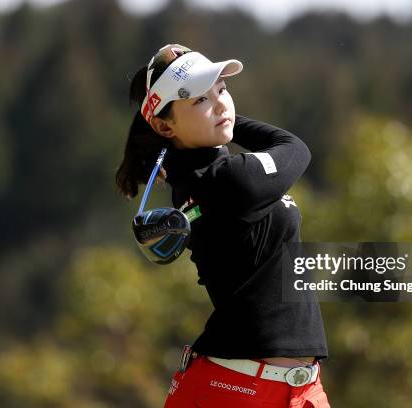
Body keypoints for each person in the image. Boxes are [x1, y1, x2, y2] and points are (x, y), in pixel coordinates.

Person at [115, 44, 331, 408]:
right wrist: (228, 121)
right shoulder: (224, 180)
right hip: (233, 390)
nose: (219, 103)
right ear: (164, 124)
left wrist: (216, 117)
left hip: (300, 390)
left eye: (222, 90)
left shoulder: (204, 174)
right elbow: (294, 147)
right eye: (198, 100)